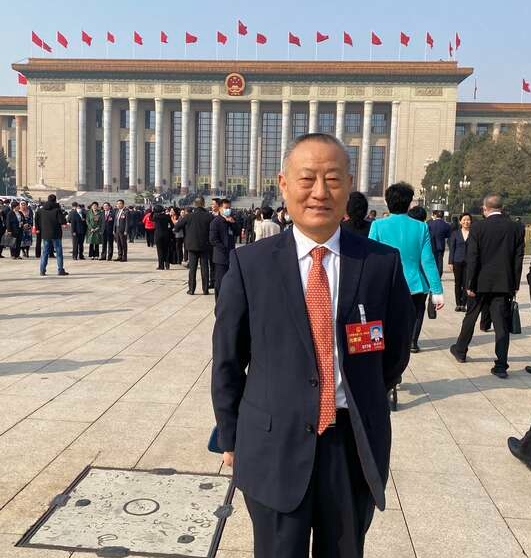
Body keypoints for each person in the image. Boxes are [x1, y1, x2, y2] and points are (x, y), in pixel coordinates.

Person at [212, 133, 414, 558]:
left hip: (351, 444)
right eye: (307, 179)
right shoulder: (251, 264)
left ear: (349, 186)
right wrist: (230, 437)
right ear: (284, 184)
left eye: (333, 179)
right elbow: (228, 360)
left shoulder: (380, 263)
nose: (320, 192)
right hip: (273, 446)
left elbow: (393, 355)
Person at [450, 194, 525, 378]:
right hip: (503, 283)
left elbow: (473, 257)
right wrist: (515, 283)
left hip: (479, 282)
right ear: (502, 208)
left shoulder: (478, 227)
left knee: (471, 316)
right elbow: (518, 258)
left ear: (485, 209)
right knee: (501, 323)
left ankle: (460, 351)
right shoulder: (516, 228)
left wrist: (469, 283)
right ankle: (501, 365)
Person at [369, 183, 444, 353]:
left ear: (388, 202)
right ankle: (410, 344)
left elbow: (371, 259)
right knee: (413, 319)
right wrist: (437, 291)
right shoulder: (421, 227)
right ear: (409, 203)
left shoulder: (378, 226)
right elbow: (428, 260)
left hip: (387, 284)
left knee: (387, 323)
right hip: (415, 284)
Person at [174, 196, 213, 295]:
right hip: (205, 245)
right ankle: (205, 289)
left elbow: (177, 227)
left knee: (192, 268)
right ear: (203, 204)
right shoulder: (209, 216)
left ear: (194, 204)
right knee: (205, 268)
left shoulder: (189, 216)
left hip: (192, 246)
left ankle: (191, 289)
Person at [209, 198, 239, 299]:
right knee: (220, 282)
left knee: (230, 282)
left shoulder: (231, 220)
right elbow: (213, 240)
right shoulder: (216, 222)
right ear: (220, 208)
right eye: (226, 208)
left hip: (231, 255)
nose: (228, 210)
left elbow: (237, 232)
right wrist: (224, 249)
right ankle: (219, 302)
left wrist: (233, 223)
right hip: (221, 257)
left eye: (229, 208)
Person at [35, 194, 68, 276]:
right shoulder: (57, 210)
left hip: (45, 234)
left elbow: (36, 220)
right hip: (56, 233)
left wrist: (38, 228)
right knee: (59, 252)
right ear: (55, 200)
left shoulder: (41, 210)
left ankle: (42, 270)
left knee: (45, 252)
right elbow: (62, 221)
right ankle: (60, 270)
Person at [448, 213, 472, 312]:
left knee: (466, 283)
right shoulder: (455, 233)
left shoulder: (473, 233)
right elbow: (452, 248)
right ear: (460, 221)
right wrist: (450, 262)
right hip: (457, 260)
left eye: (468, 220)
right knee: (458, 283)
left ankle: (464, 304)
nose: (466, 222)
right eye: (464, 220)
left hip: (469, 262)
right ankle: (458, 303)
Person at [428, 210, 451, 276]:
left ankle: (433, 274)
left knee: (432, 260)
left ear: (436, 215)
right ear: (443, 216)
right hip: (441, 245)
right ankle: (439, 274)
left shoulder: (430, 224)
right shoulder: (446, 225)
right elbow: (448, 235)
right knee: (440, 261)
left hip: (431, 245)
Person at [152, 204, 172, 270]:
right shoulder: (167, 216)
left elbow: (151, 218)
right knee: (166, 250)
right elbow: (171, 225)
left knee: (160, 250)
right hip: (166, 234)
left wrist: (153, 212)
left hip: (158, 235)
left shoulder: (155, 216)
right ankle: (167, 263)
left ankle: (161, 265)